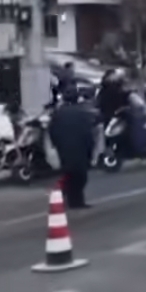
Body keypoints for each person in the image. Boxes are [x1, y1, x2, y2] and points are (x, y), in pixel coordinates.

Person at [48, 81, 96, 211]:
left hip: (64, 148)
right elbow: (88, 133)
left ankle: (69, 198)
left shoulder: (58, 113)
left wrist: (56, 144)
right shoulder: (82, 112)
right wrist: (90, 149)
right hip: (80, 148)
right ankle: (75, 200)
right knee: (80, 176)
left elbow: (52, 130)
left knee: (69, 173)